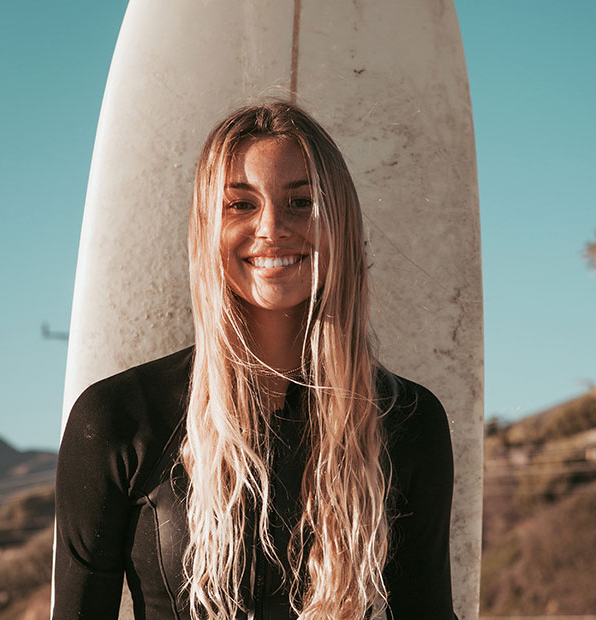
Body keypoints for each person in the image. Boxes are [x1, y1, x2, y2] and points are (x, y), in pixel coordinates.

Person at [54, 102, 457, 620]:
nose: (271, 228)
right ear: (207, 230)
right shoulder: (117, 418)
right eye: (240, 205)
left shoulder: (408, 421)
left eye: (300, 202)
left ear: (340, 224)